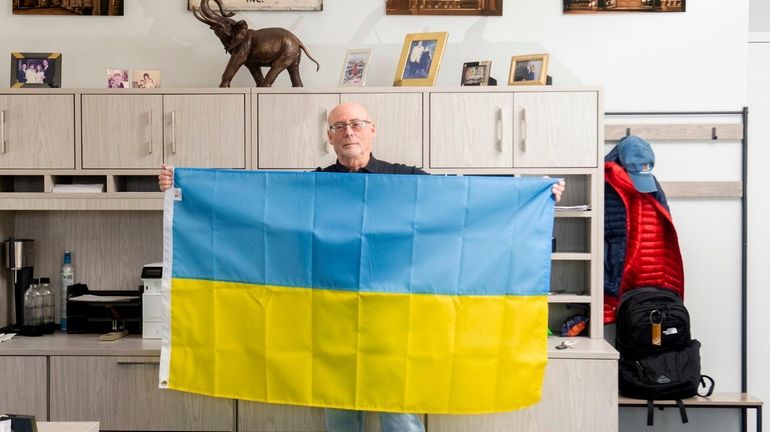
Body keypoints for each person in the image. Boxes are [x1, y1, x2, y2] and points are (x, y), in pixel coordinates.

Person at [158, 102, 565, 432]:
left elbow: (463, 210)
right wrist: (183, 189)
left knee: (400, 417)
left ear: (372, 130)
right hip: (330, 323)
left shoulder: (410, 181)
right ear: (329, 138)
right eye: (338, 127)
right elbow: (261, 214)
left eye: (356, 124)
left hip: (395, 325)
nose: (348, 132)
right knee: (340, 414)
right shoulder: (312, 187)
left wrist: (536, 195)